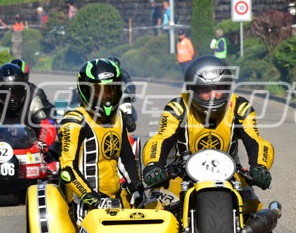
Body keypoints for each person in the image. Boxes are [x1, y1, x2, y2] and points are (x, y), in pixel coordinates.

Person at [142, 56, 274, 195]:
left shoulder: (240, 107)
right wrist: (154, 164)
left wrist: (260, 166)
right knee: (157, 205)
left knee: (252, 204)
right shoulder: (177, 107)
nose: (213, 96)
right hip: (179, 176)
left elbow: (255, 141)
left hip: (229, 174)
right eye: (205, 90)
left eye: (219, 88)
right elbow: (161, 138)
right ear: (192, 90)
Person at [57, 58, 144, 219]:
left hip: (116, 201)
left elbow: (127, 158)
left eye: (112, 90)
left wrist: (136, 186)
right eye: (100, 91)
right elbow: (67, 170)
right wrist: (93, 199)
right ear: (86, 90)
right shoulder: (74, 121)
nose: (108, 97)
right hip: (85, 207)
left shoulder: (118, 118)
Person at [0, 62, 57, 146]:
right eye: (5, 94)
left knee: (51, 155)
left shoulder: (32, 98)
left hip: (29, 145)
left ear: (23, 88)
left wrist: (42, 143)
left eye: (15, 93)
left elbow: (45, 125)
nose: (11, 98)